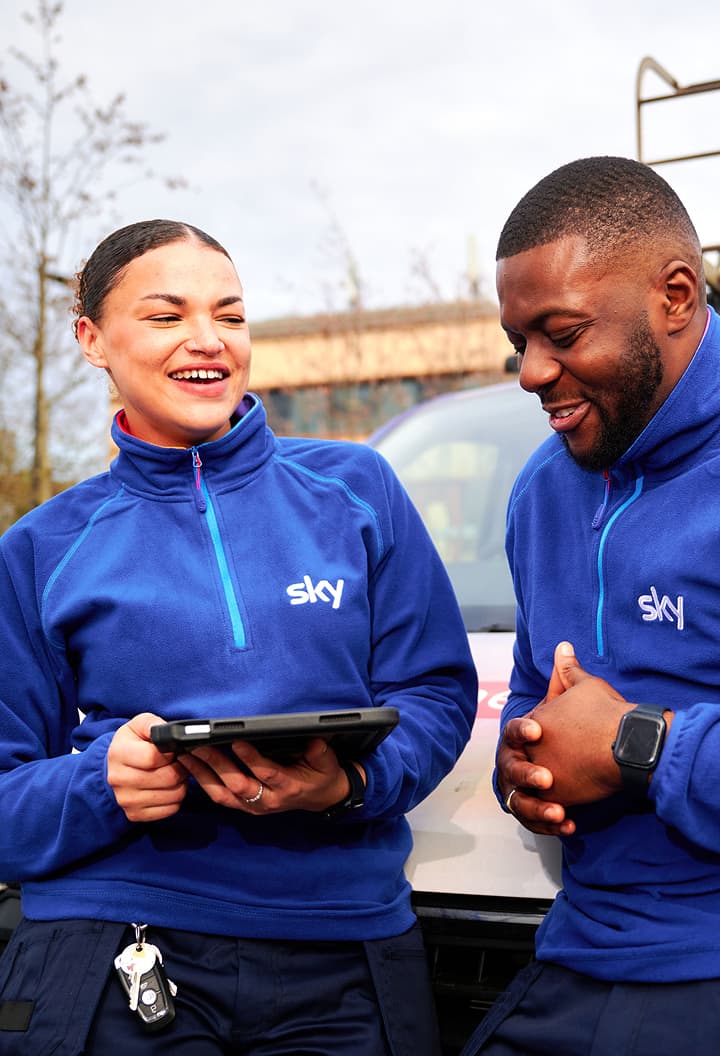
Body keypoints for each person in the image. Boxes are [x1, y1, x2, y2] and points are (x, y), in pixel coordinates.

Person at [0, 219, 477, 1055]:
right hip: (117, 939)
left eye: (230, 314)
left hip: (343, 942)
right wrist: (100, 786)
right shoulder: (39, 548)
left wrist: (352, 783)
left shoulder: (358, 490)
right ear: (91, 339)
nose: (207, 341)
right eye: (165, 316)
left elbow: (436, 694)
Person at [460, 156, 720, 1055]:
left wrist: (636, 743)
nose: (531, 373)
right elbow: (537, 698)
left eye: (562, 333)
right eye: (517, 340)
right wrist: (527, 768)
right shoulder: (543, 490)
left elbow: (619, 736)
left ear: (675, 296)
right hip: (575, 954)